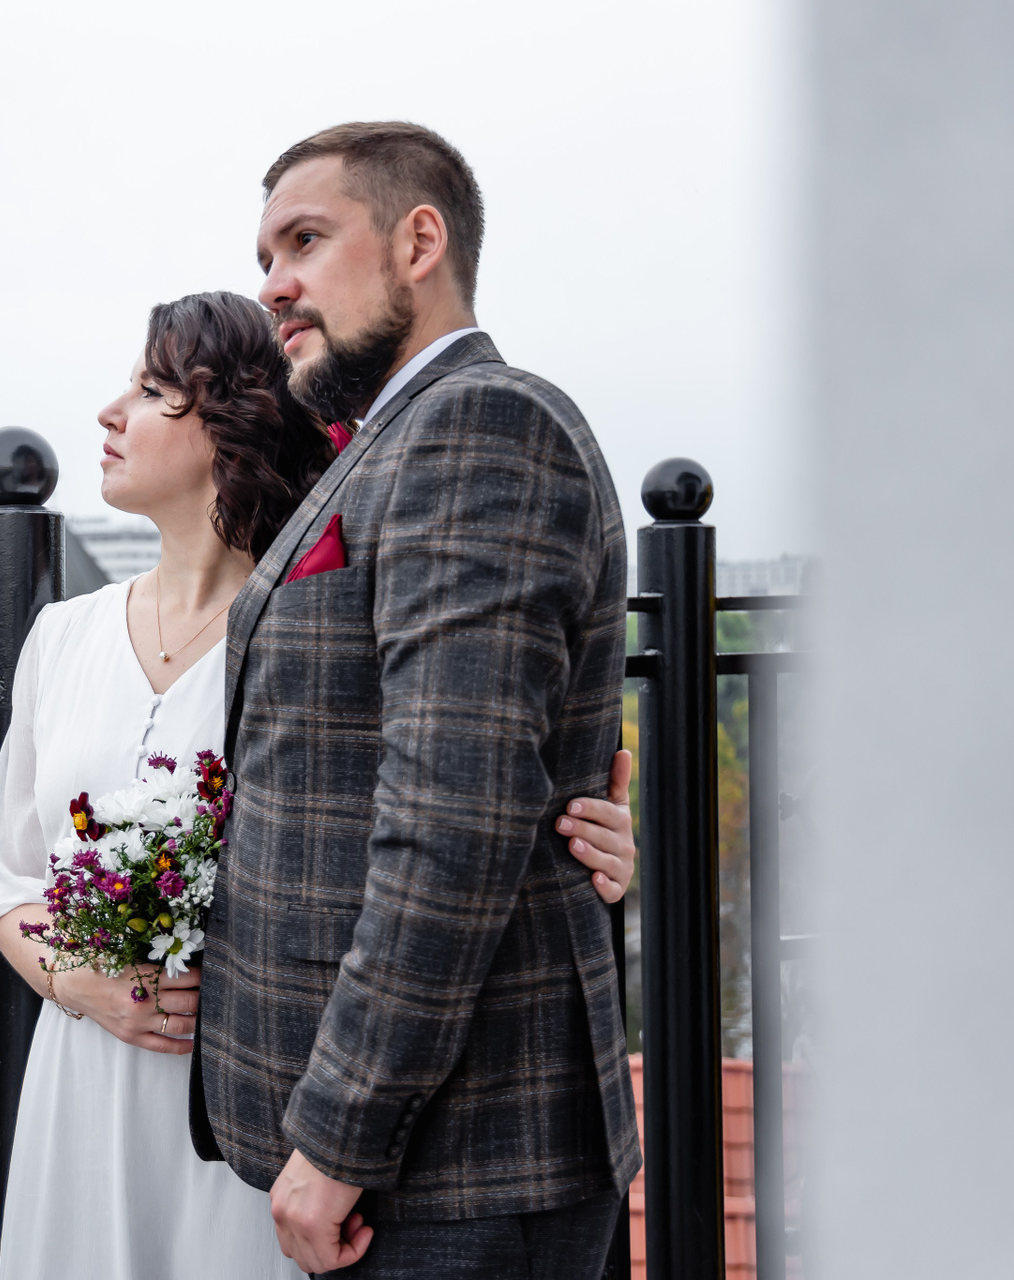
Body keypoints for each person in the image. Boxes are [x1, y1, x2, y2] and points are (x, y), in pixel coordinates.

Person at [0, 291, 637, 1279]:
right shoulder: (61, 636)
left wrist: (583, 847)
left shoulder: (319, 638)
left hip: (256, 1096)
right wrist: (77, 983)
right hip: (84, 1085)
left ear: (234, 423)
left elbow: (449, 798)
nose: (110, 413)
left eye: (152, 391)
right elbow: (10, 877)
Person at [191, 122, 641, 1279]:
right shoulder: (385, 437)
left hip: (456, 1166)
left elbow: (455, 817)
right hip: (413, 1166)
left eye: (304, 240)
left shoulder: (481, 423)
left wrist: (341, 1133)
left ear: (418, 242)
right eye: (264, 255)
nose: (272, 285)